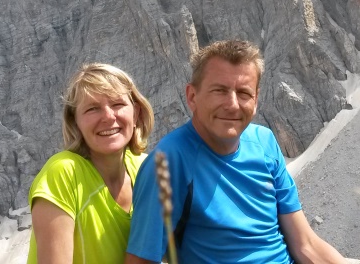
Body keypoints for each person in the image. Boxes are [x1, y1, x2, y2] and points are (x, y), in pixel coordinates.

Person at [126, 40, 345, 263]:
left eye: (243, 93)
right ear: (192, 96)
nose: (232, 105)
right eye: (219, 91)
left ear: (256, 100)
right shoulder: (169, 162)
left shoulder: (265, 142)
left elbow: (305, 244)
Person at [28, 62, 154, 264]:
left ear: (136, 112)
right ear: (75, 122)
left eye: (118, 104)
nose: (108, 117)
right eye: (93, 109)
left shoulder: (146, 169)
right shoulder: (63, 173)